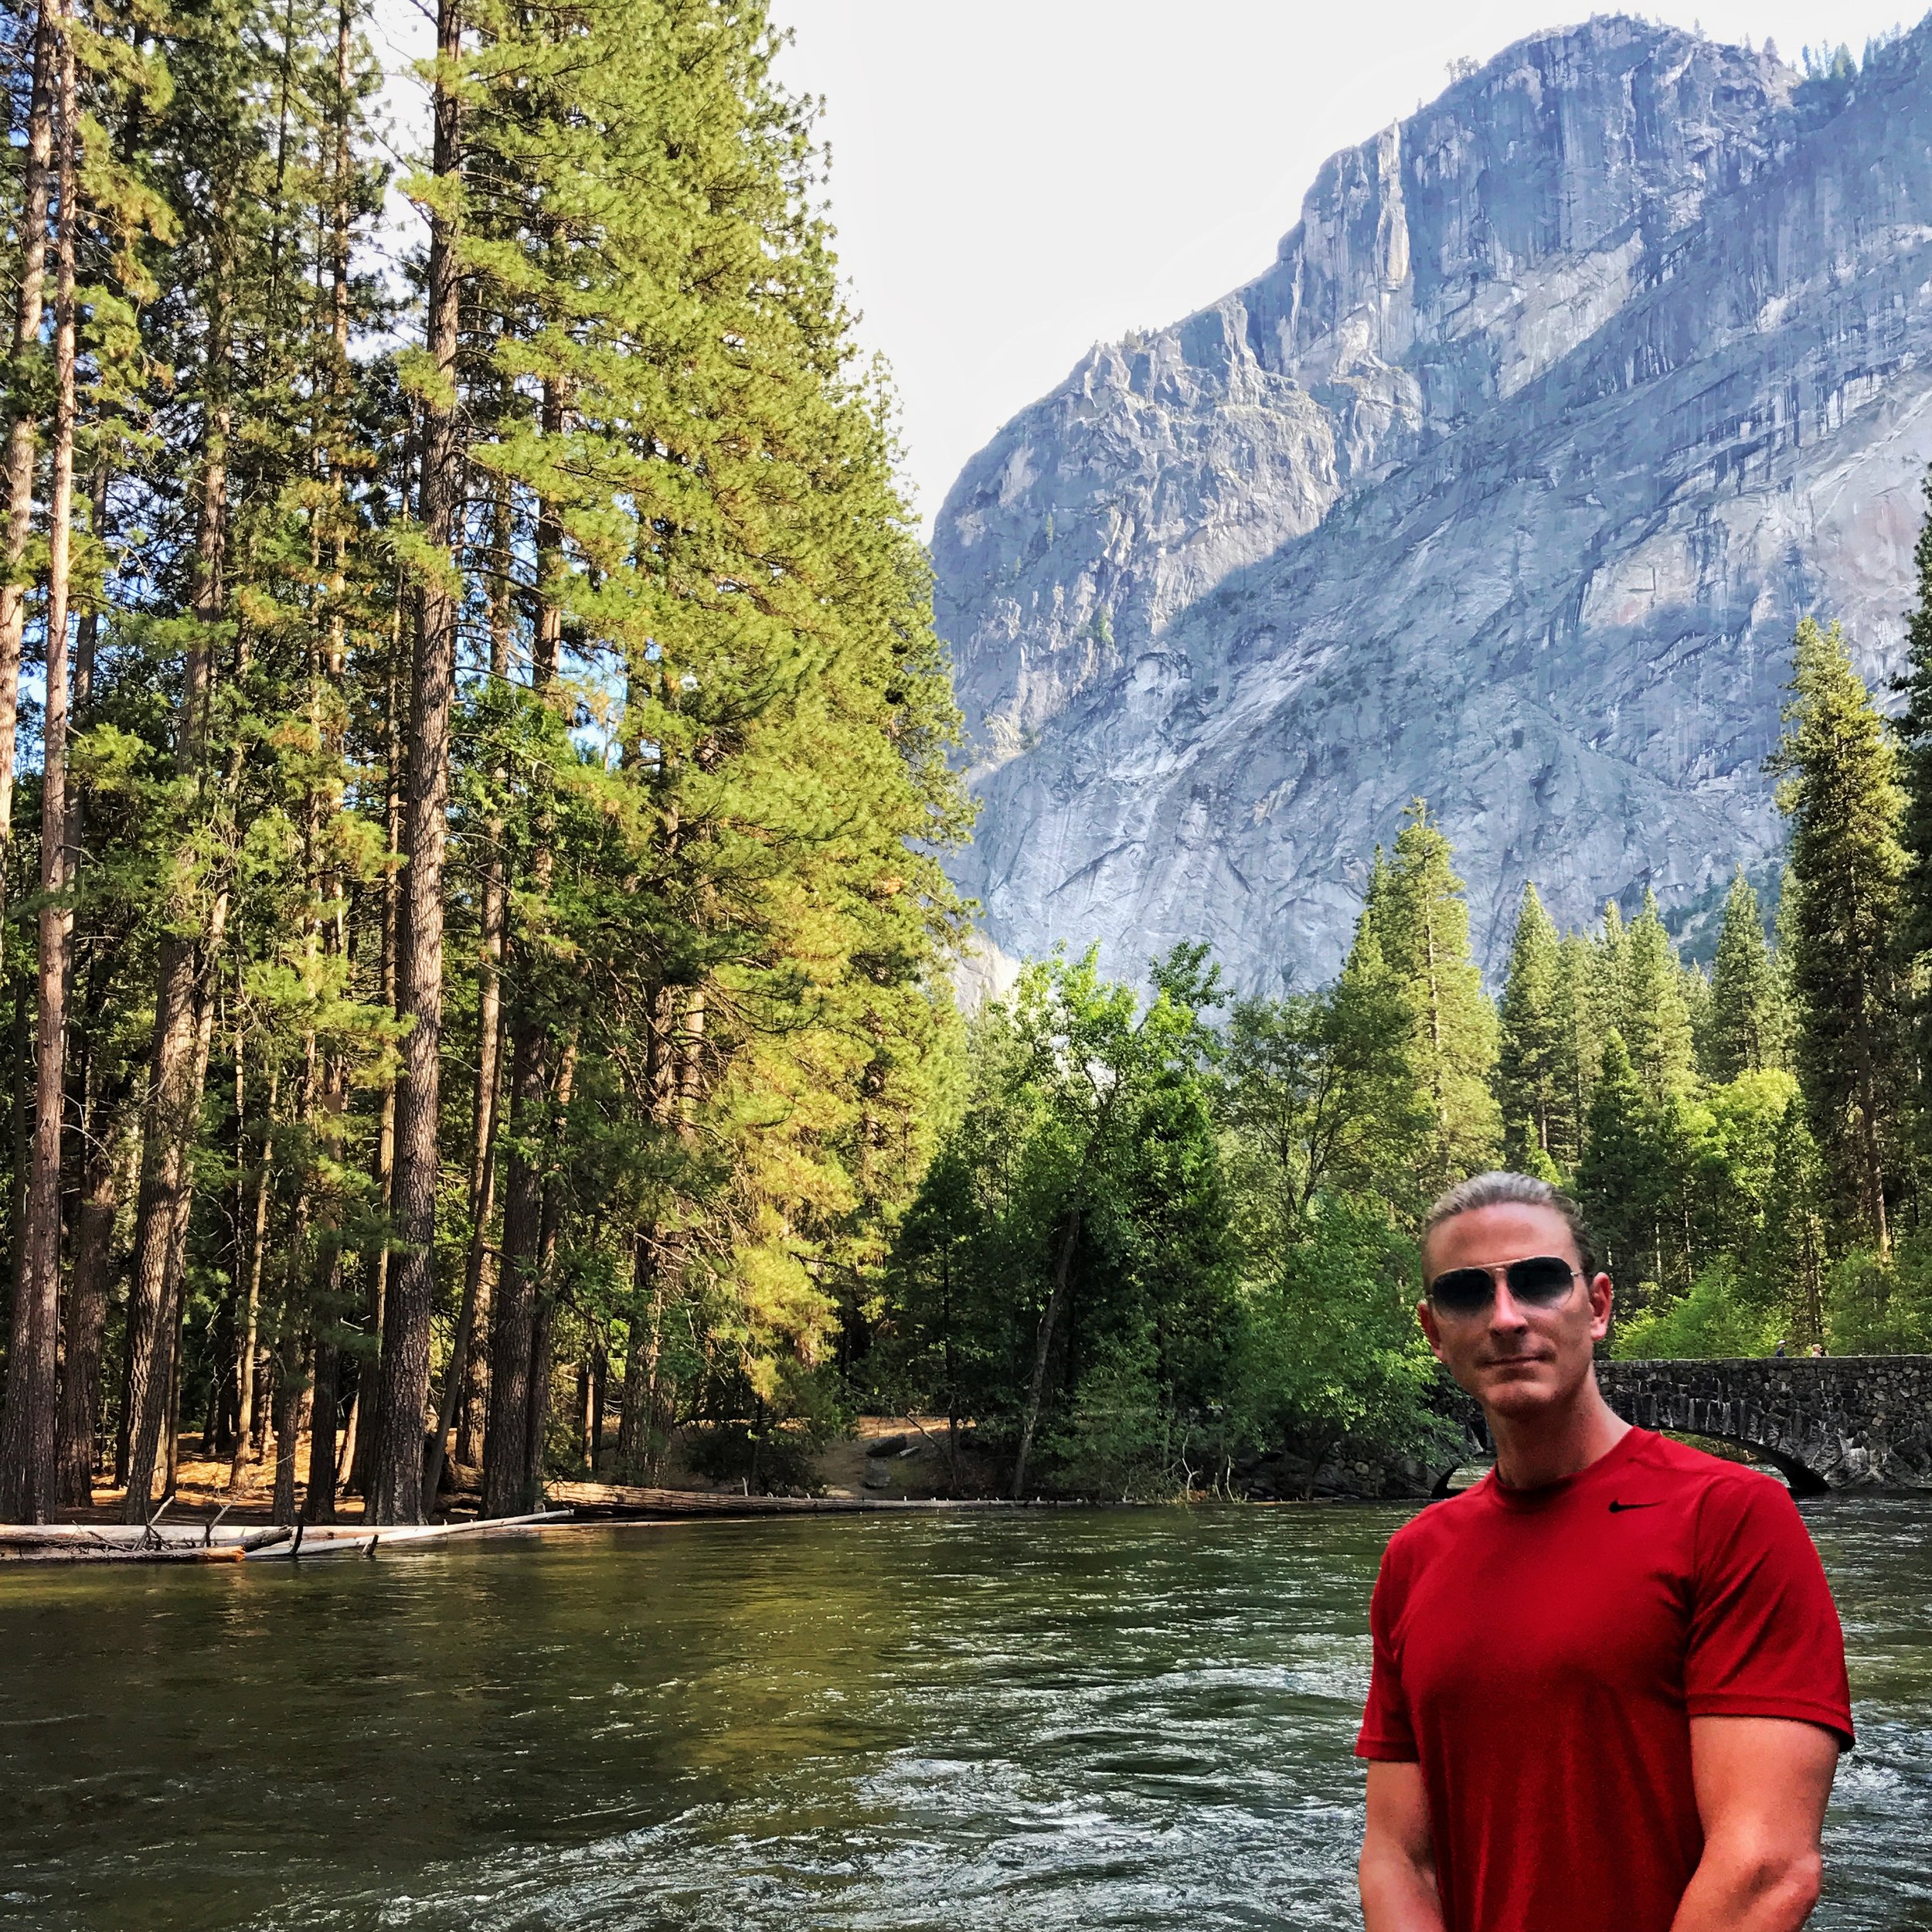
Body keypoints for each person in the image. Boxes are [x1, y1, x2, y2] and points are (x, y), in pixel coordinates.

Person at [1356, 1171, 1852, 1932]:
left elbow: (1766, 1866)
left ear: (1596, 1306)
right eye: (1465, 1294)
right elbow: (1398, 1858)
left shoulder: (1730, 1517)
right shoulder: (1414, 1559)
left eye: (1537, 1281)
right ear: (1431, 1331)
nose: (1505, 1317)